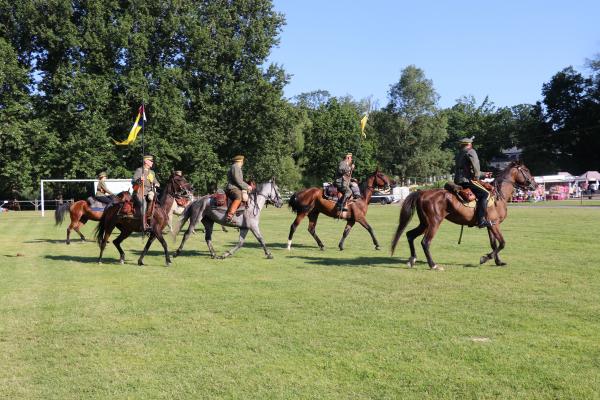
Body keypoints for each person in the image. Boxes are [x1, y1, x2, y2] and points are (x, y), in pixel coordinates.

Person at [454, 137, 493, 228]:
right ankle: (481, 220)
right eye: (471, 143)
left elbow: (466, 169)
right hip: (466, 180)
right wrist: (477, 176)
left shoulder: (460, 153)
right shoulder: (471, 151)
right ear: (469, 144)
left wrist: (483, 174)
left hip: (458, 180)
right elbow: (475, 166)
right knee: (485, 194)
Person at [132, 154, 160, 227]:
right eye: (151, 161)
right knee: (143, 205)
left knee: (156, 205)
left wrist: (157, 184)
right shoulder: (139, 170)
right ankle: (143, 224)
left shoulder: (152, 172)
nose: (152, 162)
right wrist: (139, 180)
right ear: (146, 161)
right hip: (140, 192)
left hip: (150, 192)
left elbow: (156, 181)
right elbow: (133, 181)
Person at [225, 155, 251, 225]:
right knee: (238, 197)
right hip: (233, 188)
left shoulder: (236, 167)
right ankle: (229, 216)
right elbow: (238, 180)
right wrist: (247, 186)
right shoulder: (235, 167)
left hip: (237, 187)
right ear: (240, 161)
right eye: (242, 161)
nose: (243, 163)